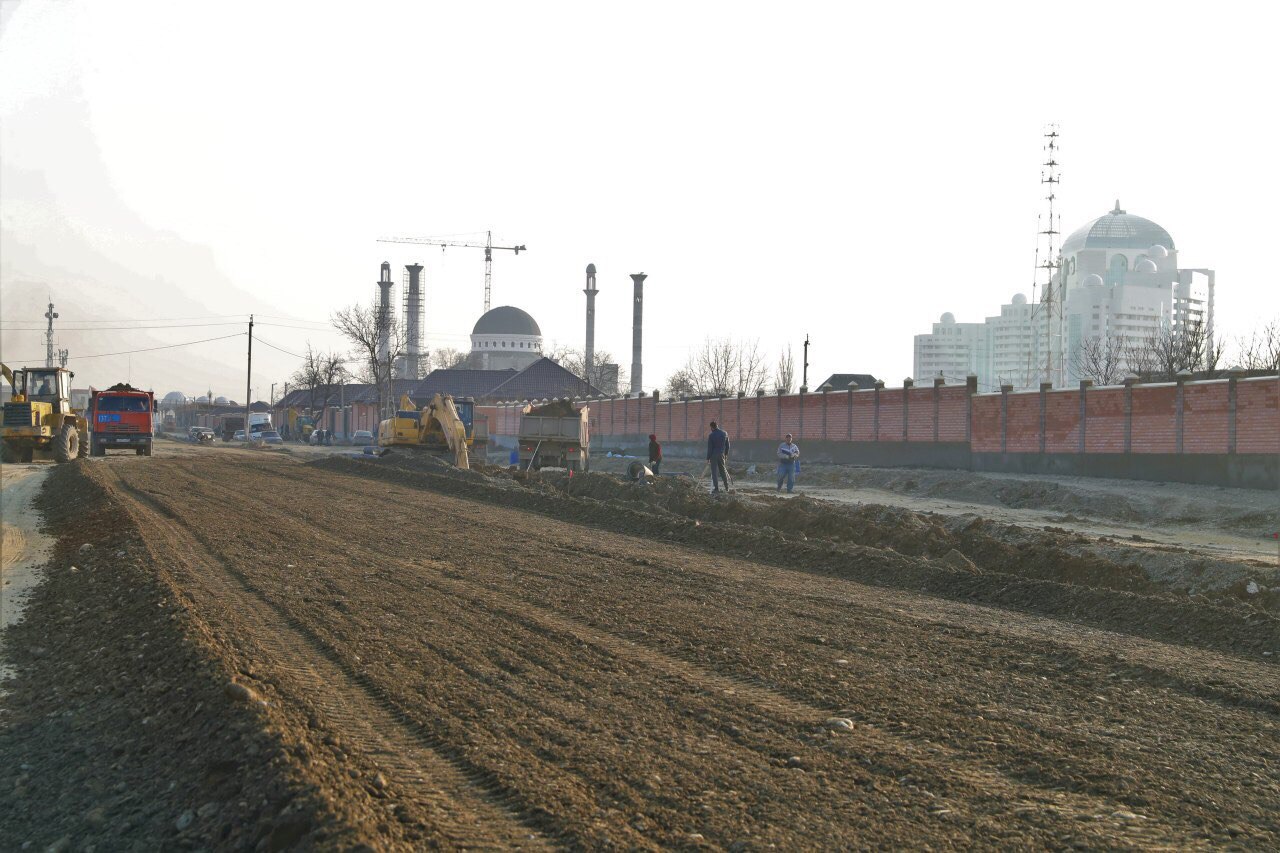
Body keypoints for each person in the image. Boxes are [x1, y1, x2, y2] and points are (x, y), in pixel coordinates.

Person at [706, 420, 731, 494]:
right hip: (721, 454)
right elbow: (728, 446)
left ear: (711, 427)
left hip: (713, 455)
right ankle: (727, 488)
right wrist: (726, 455)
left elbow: (710, 448)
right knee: (722, 471)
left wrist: (708, 458)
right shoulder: (724, 433)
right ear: (717, 426)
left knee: (714, 472)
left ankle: (716, 489)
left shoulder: (711, 435)